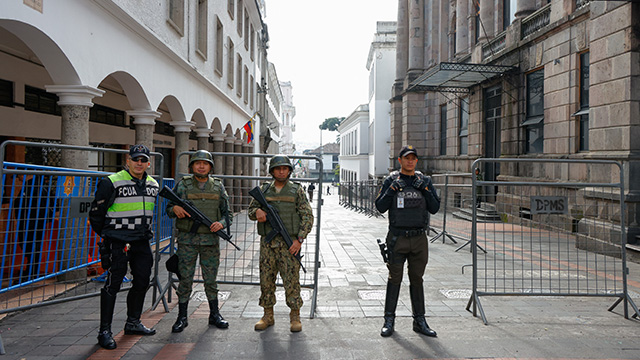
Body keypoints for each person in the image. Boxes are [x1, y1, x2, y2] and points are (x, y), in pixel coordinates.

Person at [89, 144, 159, 350]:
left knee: (142, 281)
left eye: (143, 160)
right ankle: (105, 331)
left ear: (148, 163)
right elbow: (96, 213)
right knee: (113, 284)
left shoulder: (153, 184)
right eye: (135, 159)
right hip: (117, 241)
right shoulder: (111, 182)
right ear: (128, 161)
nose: (139, 163)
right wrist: (108, 235)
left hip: (141, 241)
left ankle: (133, 322)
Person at [374, 145, 440, 338]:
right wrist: (392, 190)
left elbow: (435, 207)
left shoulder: (425, 181)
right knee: (394, 279)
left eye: (413, 158)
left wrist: (426, 190)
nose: (410, 161)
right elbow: (380, 207)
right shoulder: (391, 180)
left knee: (417, 280)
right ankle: (389, 320)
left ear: (416, 161)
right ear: (400, 160)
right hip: (397, 238)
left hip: (419, 239)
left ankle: (419, 321)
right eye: (406, 158)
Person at [166, 150, 232, 333]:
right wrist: (176, 208)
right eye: (197, 163)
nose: (201, 166)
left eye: (205, 163)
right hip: (187, 241)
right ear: (192, 166)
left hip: (210, 241)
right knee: (185, 279)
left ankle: (214, 314)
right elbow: (168, 208)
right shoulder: (183, 185)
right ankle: (182, 317)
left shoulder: (218, 187)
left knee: (210, 280)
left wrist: (221, 223)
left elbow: (228, 214)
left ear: (210, 166)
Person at [248, 155, 313, 332]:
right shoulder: (264, 191)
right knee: (266, 280)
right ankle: (267, 315)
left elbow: (307, 216)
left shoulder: (296, 191)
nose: (281, 171)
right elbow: (251, 211)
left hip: (289, 244)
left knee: (292, 280)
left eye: (285, 168)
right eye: (278, 168)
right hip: (268, 245)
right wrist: (258, 212)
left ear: (290, 171)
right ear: (272, 171)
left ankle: (295, 316)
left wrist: (299, 240)